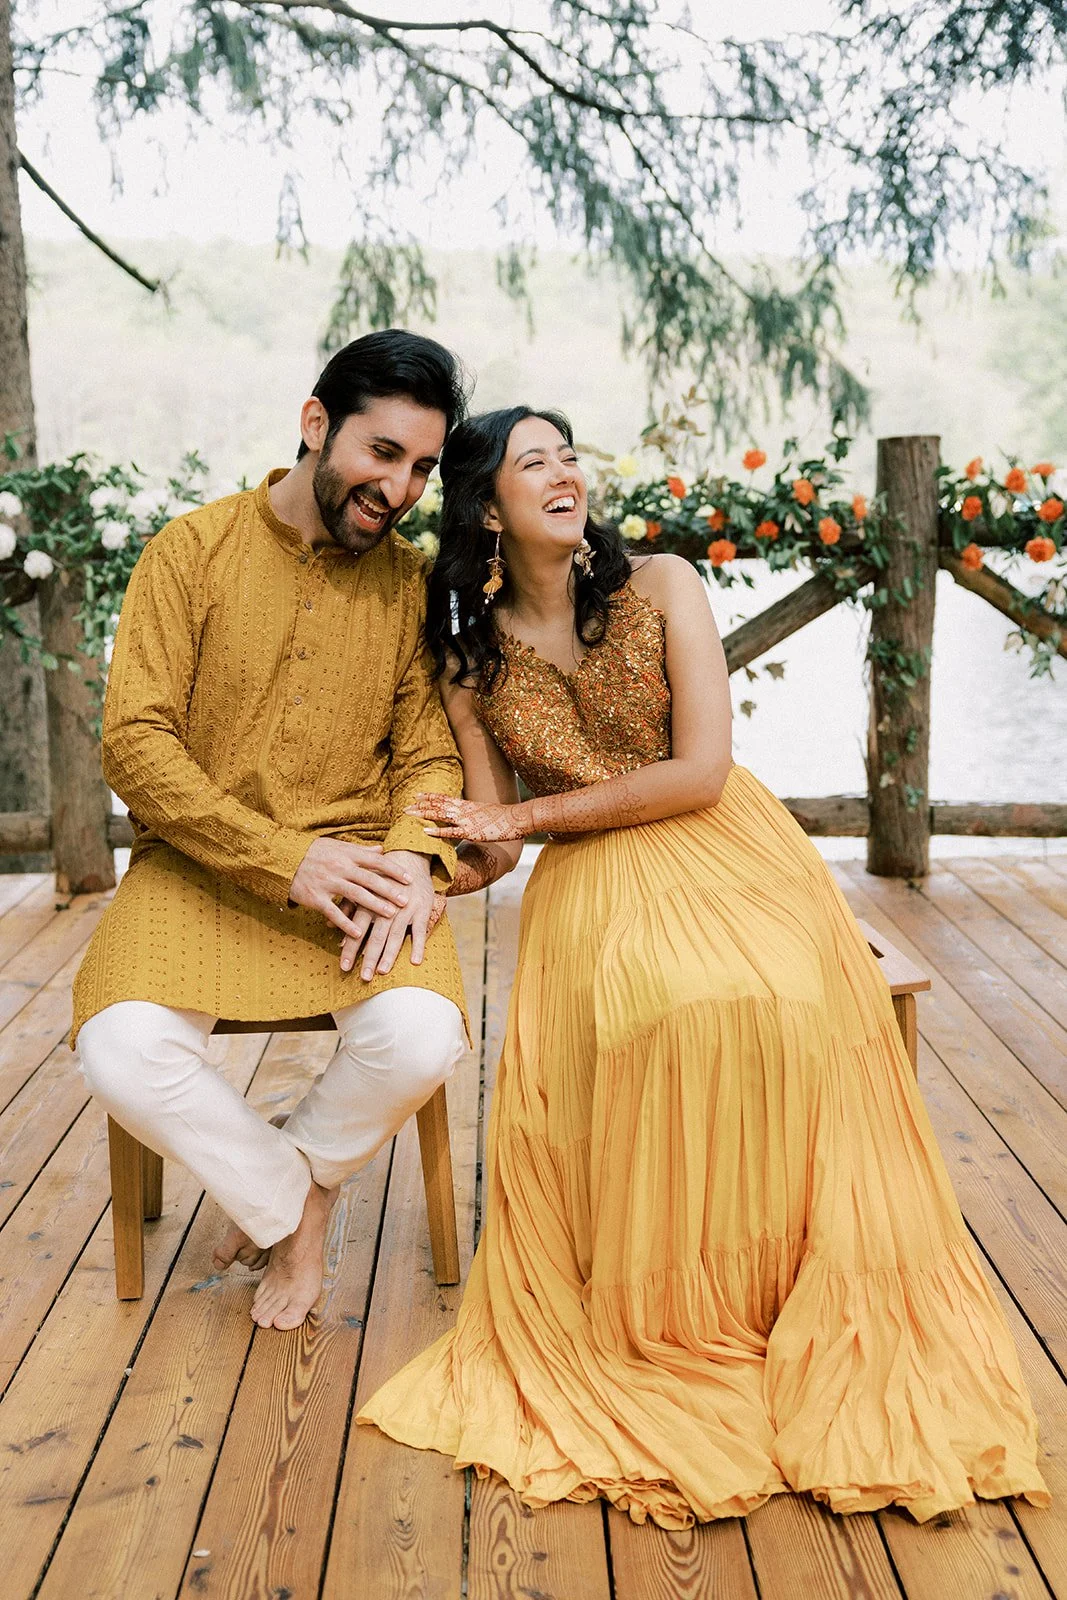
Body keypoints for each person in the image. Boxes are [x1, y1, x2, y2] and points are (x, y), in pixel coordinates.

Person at [356, 405, 1049, 1526]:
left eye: (569, 455)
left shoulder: (666, 583)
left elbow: (700, 772)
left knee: (769, 998)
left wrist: (541, 820)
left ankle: (778, 1287)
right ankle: (666, 1307)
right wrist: (422, 874)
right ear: (486, 505)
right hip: (586, 879)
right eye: (533, 462)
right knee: (658, 1012)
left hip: (722, 843)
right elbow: (492, 833)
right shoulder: (467, 656)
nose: (564, 473)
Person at [73, 329, 473, 1330]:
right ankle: (296, 1207)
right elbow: (135, 744)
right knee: (118, 1046)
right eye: (381, 453)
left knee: (423, 1034)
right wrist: (281, 857)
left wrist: (413, 860)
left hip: (357, 875)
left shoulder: (410, 582)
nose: (400, 487)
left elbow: (428, 751)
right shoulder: (191, 550)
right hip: (200, 870)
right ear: (314, 426)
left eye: (421, 466)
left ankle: (288, 1185)